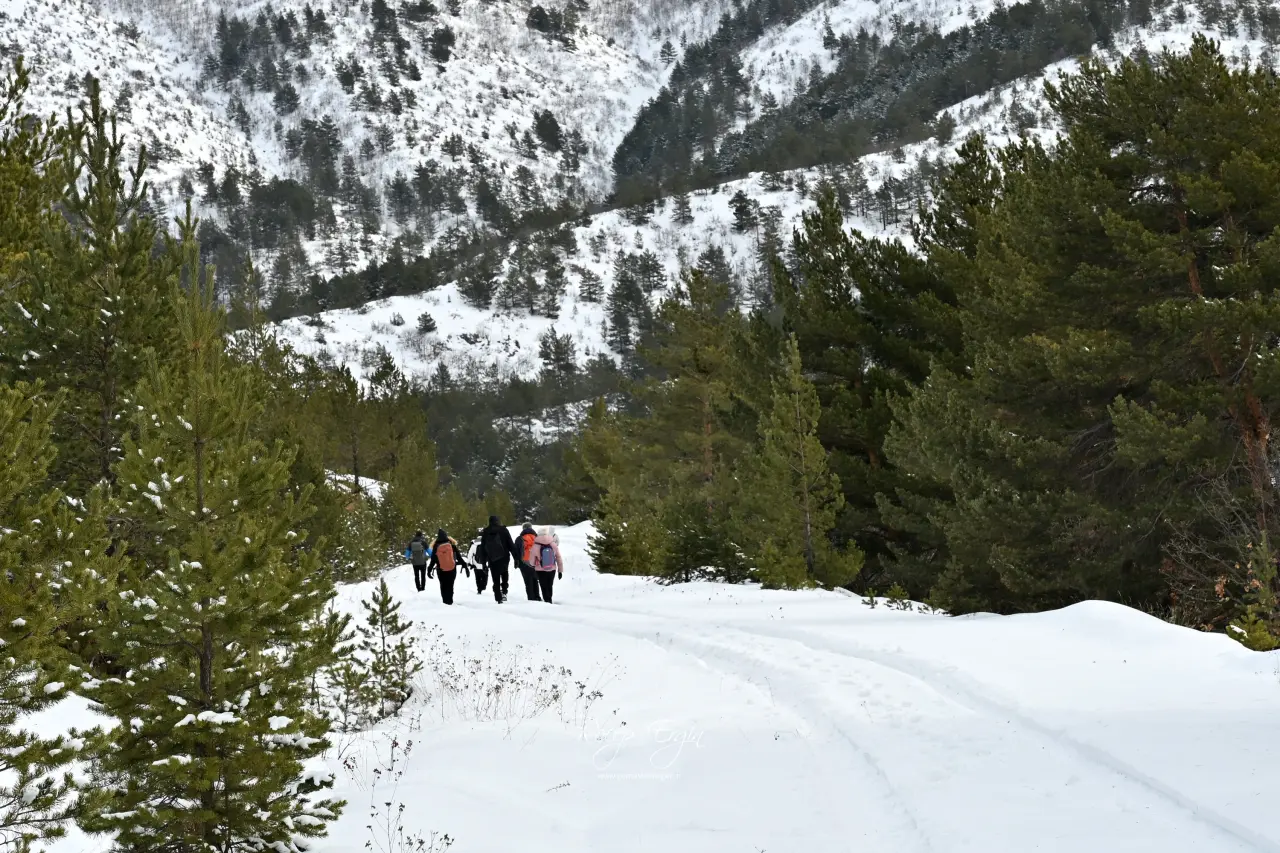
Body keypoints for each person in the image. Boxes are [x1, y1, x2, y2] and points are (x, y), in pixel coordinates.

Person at [477, 515, 516, 603]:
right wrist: (516, 557)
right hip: (504, 557)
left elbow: (483, 548)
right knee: (504, 573)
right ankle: (504, 591)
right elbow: (510, 544)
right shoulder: (504, 530)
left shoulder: (486, 532)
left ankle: (498, 597)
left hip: (492, 559)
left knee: (495, 578)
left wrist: (483, 562)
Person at [427, 528, 469, 605]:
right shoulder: (452, 545)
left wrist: (429, 570)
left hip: (440, 570)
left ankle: (445, 601)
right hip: (452, 569)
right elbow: (459, 558)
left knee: (443, 585)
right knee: (450, 585)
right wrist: (464, 565)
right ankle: (450, 601)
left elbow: (433, 561)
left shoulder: (436, 547)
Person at [531, 526, 564, 603]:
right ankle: (549, 598)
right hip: (552, 569)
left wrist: (533, 565)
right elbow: (558, 557)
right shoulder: (553, 544)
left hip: (540, 569)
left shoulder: (535, 545)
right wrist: (560, 570)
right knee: (550, 585)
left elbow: (532, 561)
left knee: (543, 585)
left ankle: (546, 600)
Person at [514, 523, 540, 601]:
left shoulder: (519, 538)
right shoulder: (537, 537)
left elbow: (516, 552)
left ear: (523, 529)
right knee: (535, 580)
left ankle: (531, 599)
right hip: (536, 562)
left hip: (524, 563)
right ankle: (537, 597)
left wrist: (517, 562)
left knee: (528, 582)